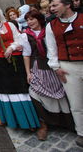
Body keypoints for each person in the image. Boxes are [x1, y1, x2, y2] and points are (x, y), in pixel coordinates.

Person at [0, 6, 40, 130]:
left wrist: (11, 48)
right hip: (0, 63)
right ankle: (11, 119)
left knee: (21, 88)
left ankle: (29, 121)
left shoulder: (10, 25)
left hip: (16, 60)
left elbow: (19, 39)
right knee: (5, 91)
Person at [21, 10, 74, 140]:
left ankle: (68, 123)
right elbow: (26, 54)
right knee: (35, 92)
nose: (29, 22)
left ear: (39, 19)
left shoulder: (49, 30)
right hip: (38, 66)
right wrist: (28, 73)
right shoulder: (26, 35)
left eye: (32, 19)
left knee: (61, 93)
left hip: (54, 66)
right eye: (27, 20)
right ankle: (43, 124)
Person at [45, 0, 83, 147]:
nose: (51, 9)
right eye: (50, 6)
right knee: (76, 103)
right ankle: (81, 132)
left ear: (67, 5)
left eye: (54, 5)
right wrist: (56, 67)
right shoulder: (51, 25)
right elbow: (51, 48)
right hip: (67, 67)